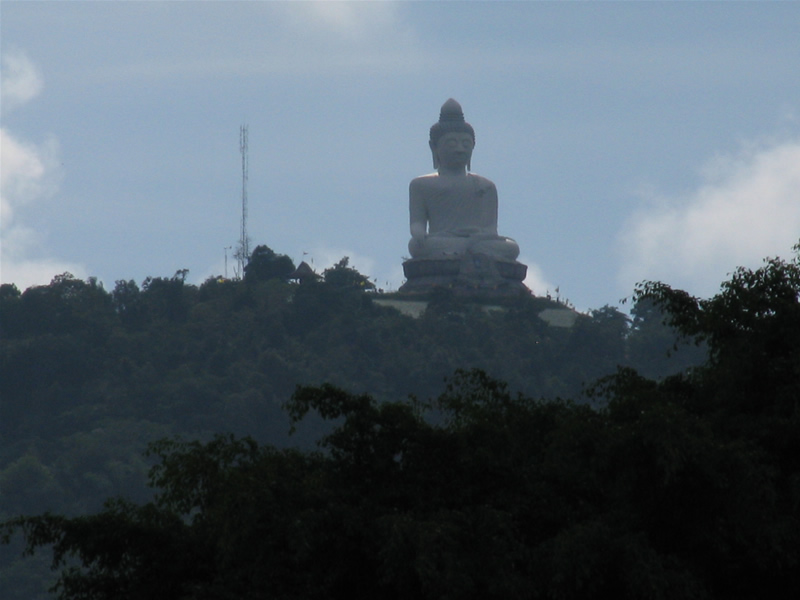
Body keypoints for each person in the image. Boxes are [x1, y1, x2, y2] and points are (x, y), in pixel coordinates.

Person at [408, 98, 520, 262]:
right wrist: (418, 233)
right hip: (442, 240)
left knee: (511, 247)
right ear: (434, 147)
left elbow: (490, 229)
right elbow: (417, 223)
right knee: (417, 246)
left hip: (477, 242)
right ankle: (467, 252)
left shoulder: (485, 186)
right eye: (451, 143)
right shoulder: (421, 185)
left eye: (466, 144)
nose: (460, 149)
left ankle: (465, 251)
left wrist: (476, 238)